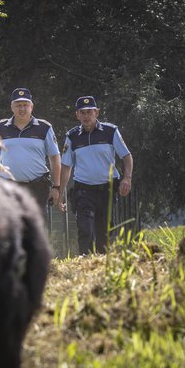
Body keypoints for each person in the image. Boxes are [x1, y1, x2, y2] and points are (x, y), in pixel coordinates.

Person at [58, 96, 133, 254]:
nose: (86, 116)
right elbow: (66, 167)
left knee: (103, 233)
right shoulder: (72, 137)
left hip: (107, 190)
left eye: (89, 112)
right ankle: (84, 261)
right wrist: (60, 193)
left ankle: (101, 264)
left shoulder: (110, 131)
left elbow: (127, 156)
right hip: (83, 191)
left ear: (97, 112)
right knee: (85, 228)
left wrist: (127, 178)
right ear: (77, 115)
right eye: (82, 113)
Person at [0, 87, 62, 208]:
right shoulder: (0, 128)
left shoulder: (44, 127)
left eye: (25, 105)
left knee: (36, 226)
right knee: (10, 225)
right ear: (12, 107)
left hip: (37, 187)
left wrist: (56, 187)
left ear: (31, 107)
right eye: (18, 105)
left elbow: (55, 158)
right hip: (8, 188)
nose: (22, 109)